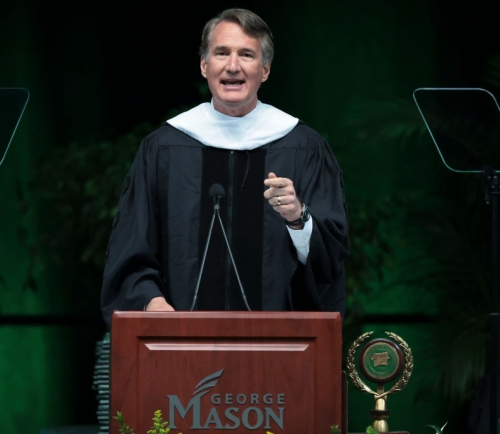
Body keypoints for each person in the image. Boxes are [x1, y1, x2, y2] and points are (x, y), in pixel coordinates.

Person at [100, 8, 349, 326]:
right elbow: (131, 246)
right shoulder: (163, 149)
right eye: (222, 53)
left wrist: (298, 217)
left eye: (246, 54)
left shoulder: (303, 147)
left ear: (266, 69)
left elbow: (330, 261)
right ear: (205, 66)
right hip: (177, 347)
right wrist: (151, 303)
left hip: (279, 350)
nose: (233, 66)